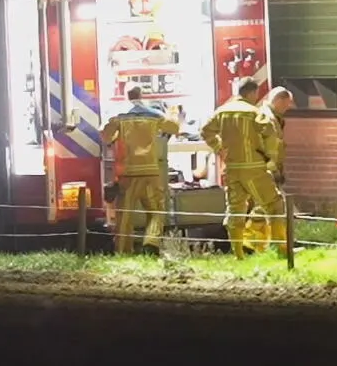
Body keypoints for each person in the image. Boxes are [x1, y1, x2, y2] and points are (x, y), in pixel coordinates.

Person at [200, 76, 284, 257]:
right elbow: (270, 134)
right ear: (253, 93)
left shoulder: (221, 112)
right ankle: (281, 250)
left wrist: (219, 148)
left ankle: (238, 255)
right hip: (254, 168)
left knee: (235, 209)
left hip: (231, 168)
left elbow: (205, 131)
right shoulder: (254, 112)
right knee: (274, 205)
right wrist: (271, 159)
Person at [102, 84, 181, 256]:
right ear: (142, 95)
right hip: (151, 172)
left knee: (125, 216)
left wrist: (116, 137)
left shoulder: (119, 116)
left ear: (126, 96)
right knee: (156, 211)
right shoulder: (154, 115)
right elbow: (174, 128)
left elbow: (105, 135)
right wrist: (173, 113)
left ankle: (123, 252)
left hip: (128, 174)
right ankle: (151, 242)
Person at [239, 85, 296, 253]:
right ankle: (259, 242)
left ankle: (258, 244)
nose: (288, 108)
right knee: (269, 205)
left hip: (265, 167)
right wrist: (273, 169)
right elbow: (267, 146)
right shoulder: (268, 118)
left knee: (266, 206)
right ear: (278, 100)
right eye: (286, 104)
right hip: (265, 168)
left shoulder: (271, 116)